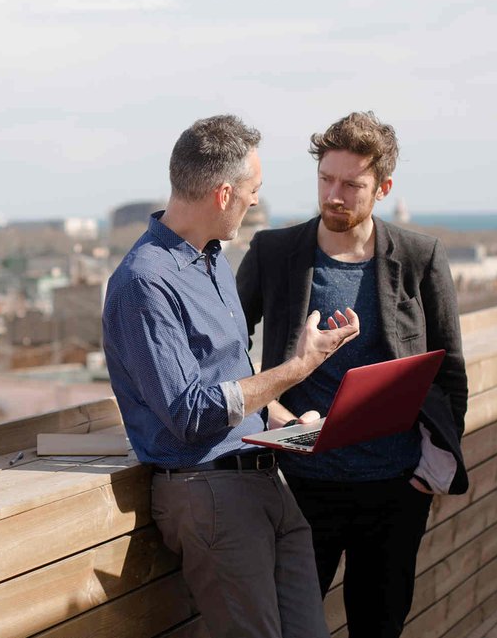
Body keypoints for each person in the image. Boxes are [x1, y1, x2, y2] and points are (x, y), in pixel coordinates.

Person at [103, 114, 361, 638]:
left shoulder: (215, 260)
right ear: (224, 193)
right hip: (211, 495)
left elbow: (233, 380)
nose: (255, 202)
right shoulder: (143, 284)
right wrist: (298, 368)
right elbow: (190, 413)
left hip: (265, 478)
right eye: (252, 191)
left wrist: (289, 422)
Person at [236, 111, 468, 638]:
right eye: (326, 179)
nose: (334, 195)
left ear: (383, 187)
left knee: (379, 627)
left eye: (351, 184)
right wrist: (270, 409)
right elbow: (225, 346)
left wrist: (430, 471)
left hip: (394, 489)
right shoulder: (275, 253)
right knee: (292, 628)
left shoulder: (419, 256)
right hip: (299, 487)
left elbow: (449, 371)